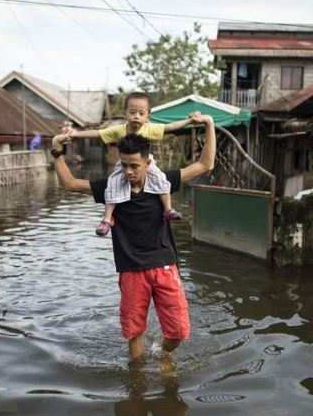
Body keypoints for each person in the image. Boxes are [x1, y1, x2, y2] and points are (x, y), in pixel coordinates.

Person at [51, 113, 216, 363]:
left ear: (148, 163)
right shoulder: (112, 187)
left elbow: (205, 165)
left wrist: (209, 125)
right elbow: (71, 183)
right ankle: (136, 381)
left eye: (134, 166)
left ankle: (162, 353)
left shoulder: (162, 182)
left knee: (179, 331)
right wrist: (56, 153)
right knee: (134, 331)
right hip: (131, 270)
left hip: (164, 266)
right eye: (124, 165)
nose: (128, 171)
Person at [64, 91, 199, 236]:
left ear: (148, 116)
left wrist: (189, 121)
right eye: (132, 112)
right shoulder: (119, 130)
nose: (136, 116)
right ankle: (107, 218)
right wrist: (75, 134)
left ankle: (168, 209)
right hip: (123, 164)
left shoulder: (150, 128)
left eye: (141, 113)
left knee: (161, 179)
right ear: (125, 114)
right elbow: (98, 133)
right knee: (113, 184)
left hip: (147, 163)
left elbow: (171, 127)